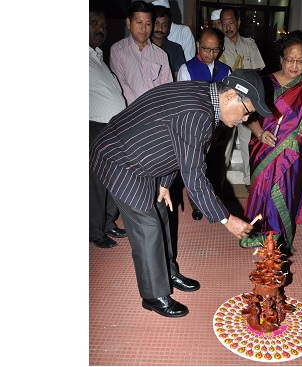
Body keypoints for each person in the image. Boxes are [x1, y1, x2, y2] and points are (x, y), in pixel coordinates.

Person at [89, 68, 273, 318]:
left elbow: (174, 140)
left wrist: (164, 183)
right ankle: (154, 295)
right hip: (119, 157)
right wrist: (226, 219)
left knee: (162, 213)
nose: (245, 119)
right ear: (230, 96)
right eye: (247, 110)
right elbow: (195, 177)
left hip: (142, 155)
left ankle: (168, 271)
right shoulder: (198, 113)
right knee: (147, 226)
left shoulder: (205, 95)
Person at [243, 30, 302, 249]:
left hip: (294, 153)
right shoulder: (264, 83)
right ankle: (259, 235)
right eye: (290, 59)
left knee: (286, 194)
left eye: (301, 61)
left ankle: (279, 241)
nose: (295, 65)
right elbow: (249, 116)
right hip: (265, 148)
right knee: (264, 192)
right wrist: (259, 132)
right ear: (281, 58)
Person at [177, 27, 232, 221]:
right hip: (195, 129)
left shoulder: (225, 70)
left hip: (219, 128)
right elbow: (184, 103)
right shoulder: (187, 69)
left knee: (216, 166)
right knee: (197, 167)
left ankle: (214, 202)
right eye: (207, 49)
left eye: (216, 50)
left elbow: (229, 103)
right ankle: (197, 206)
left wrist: (220, 128)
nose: (211, 54)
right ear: (198, 45)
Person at [89, 8, 128, 248]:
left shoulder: (96, 57)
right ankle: (94, 230)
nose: (100, 28)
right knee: (95, 183)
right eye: (93, 23)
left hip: (110, 127)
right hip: (93, 126)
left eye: (103, 25)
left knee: (111, 180)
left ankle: (107, 222)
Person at [220, 7, 266, 192]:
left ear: (238, 22)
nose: (227, 26)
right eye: (223, 23)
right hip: (228, 103)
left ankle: (249, 180)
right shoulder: (219, 45)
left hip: (247, 103)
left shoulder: (249, 44)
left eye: (231, 22)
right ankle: (220, 180)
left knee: (248, 142)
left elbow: (258, 69)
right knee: (225, 143)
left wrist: (240, 77)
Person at [110, 1, 172, 105]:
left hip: (158, 114)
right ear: (129, 23)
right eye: (139, 22)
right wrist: (142, 110)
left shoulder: (161, 55)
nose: (143, 29)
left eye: (148, 24)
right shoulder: (118, 50)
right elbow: (122, 87)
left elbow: (167, 89)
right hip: (131, 113)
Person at [151, 4, 186, 80]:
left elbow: (180, 76)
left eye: (164, 25)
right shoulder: (143, 46)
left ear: (168, 27)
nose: (160, 28)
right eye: (157, 23)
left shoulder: (175, 48)